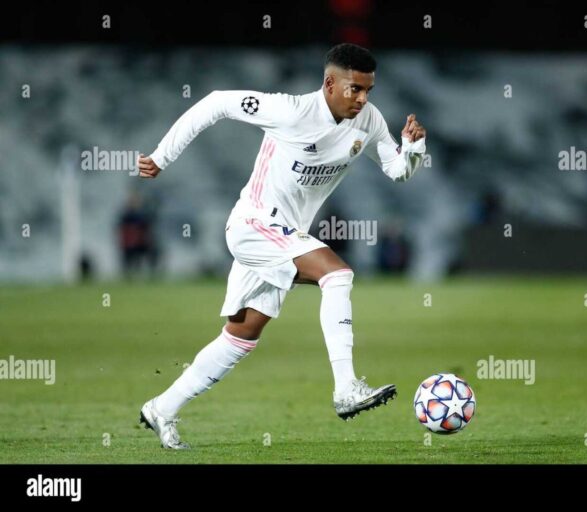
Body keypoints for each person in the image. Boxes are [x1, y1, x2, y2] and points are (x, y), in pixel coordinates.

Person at [137, 43, 427, 449]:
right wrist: (162, 157)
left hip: (286, 235)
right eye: (355, 89)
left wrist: (412, 149)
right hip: (254, 225)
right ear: (329, 83)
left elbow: (397, 171)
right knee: (337, 274)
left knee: (241, 335)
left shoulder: (370, 121)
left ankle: (161, 408)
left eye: (368, 91)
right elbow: (218, 102)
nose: (362, 99)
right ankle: (346, 387)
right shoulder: (290, 111)